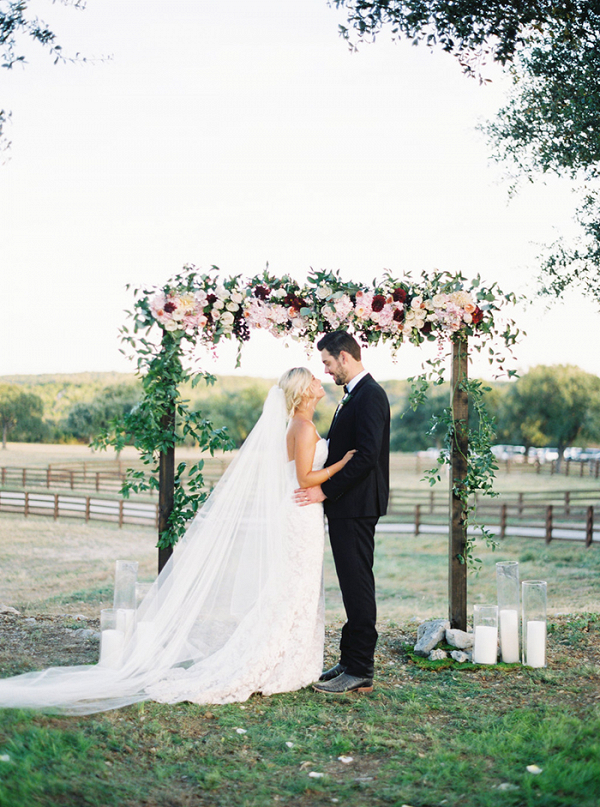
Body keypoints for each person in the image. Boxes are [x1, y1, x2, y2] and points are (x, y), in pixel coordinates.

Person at [0, 368, 354, 714]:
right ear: (302, 391)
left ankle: (290, 656)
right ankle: (282, 659)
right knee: (296, 586)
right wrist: (341, 464)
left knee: (293, 586)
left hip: (299, 512)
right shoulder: (304, 427)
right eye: (312, 378)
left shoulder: (297, 425)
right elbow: (306, 477)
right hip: (302, 510)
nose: (318, 380)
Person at [296, 331, 390, 695]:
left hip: (357, 505)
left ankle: (360, 668)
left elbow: (366, 457)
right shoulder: (354, 396)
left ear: (344, 358)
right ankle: (350, 660)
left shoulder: (371, 396)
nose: (326, 370)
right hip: (348, 505)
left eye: (328, 362)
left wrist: (325, 489)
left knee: (358, 584)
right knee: (352, 584)